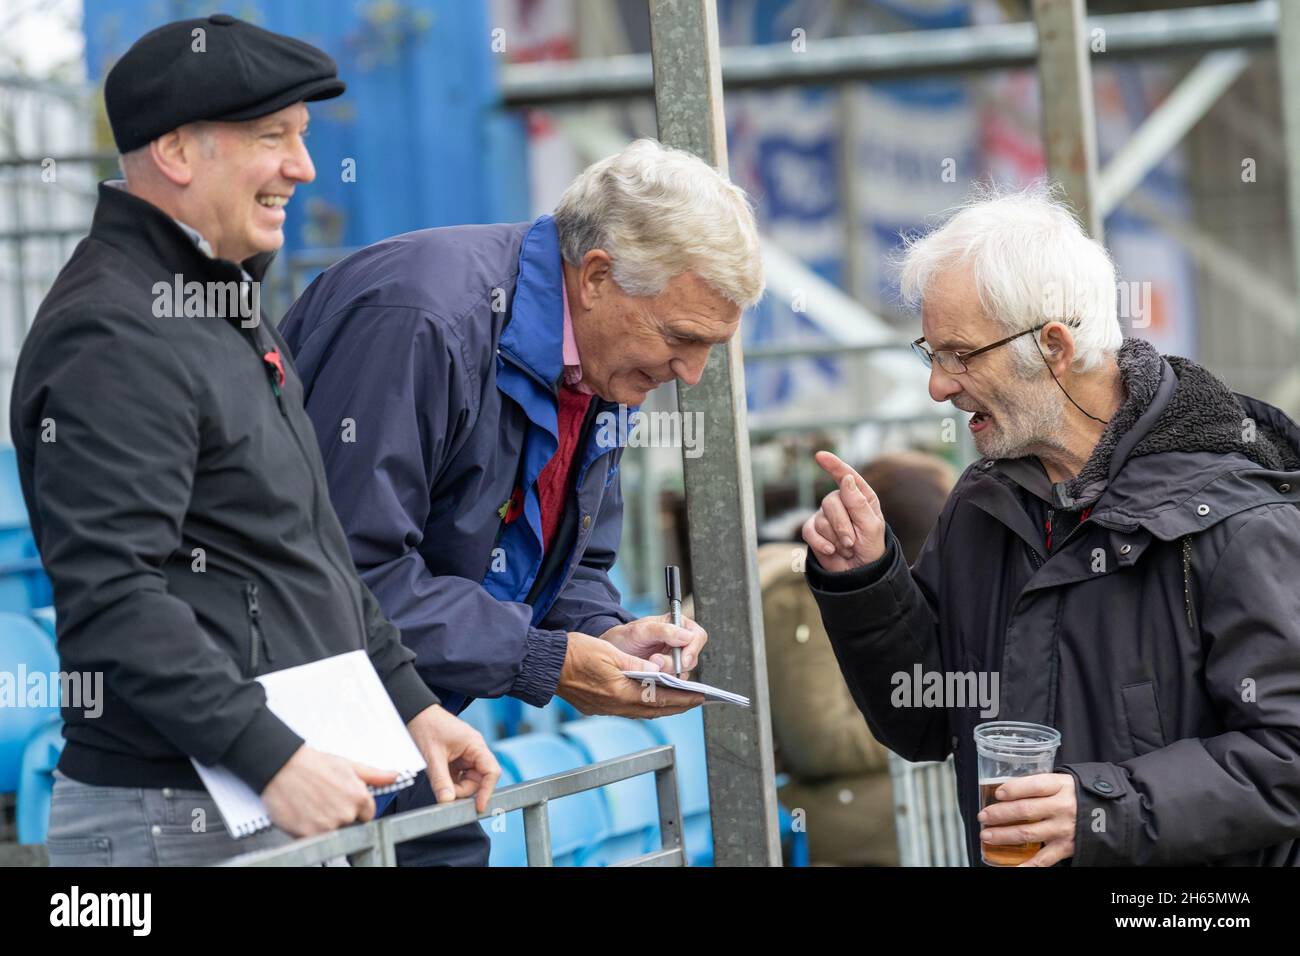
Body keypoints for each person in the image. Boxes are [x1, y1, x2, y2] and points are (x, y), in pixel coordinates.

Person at [11, 14, 497, 867]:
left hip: (257, 798)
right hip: (174, 817)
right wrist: (268, 753)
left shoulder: (220, 305)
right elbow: (112, 600)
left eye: (302, 138)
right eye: (274, 137)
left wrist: (409, 700)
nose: (303, 168)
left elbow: (312, 554)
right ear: (176, 153)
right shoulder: (111, 333)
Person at [279, 138, 765, 865]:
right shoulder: (421, 318)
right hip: (283, 738)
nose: (691, 374)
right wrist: (543, 658)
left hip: (402, 723)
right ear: (597, 276)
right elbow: (347, 575)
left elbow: (571, 567)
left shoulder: (599, 358)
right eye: (681, 338)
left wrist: (607, 637)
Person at [802, 185, 1300, 866]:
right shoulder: (984, 503)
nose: (938, 385)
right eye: (932, 352)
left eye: (960, 354)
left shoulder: (1237, 515)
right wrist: (865, 577)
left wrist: (1101, 812)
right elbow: (923, 722)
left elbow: (1289, 756)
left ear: (1053, 346)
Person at [762, 451, 955, 865]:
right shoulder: (797, 596)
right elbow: (819, 743)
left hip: (885, 791)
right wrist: (951, 721)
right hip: (827, 812)